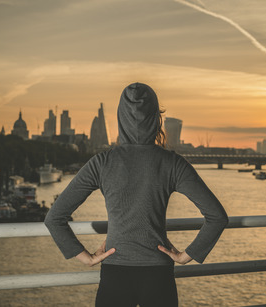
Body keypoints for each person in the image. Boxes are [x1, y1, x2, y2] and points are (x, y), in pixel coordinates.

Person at [44, 82, 228, 307]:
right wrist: (185, 256)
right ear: (155, 118)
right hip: (158, 274)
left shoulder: (101, 163)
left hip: (115, 272)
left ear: (121, 118)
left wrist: (86, 257)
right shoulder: (172, 163)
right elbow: (217, 217)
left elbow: (54, 218)